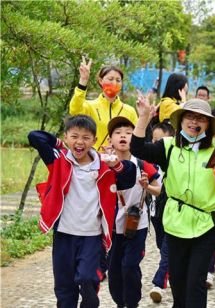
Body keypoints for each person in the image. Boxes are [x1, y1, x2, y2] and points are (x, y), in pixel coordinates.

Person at [28, 115, 136, 308]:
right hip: (64, 235)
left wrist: (116, 165)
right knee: (64, 287)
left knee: (87, 279)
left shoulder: (103, 165)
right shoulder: (58, 160)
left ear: (94, 140)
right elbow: (35, 137)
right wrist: (61, 144)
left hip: (91, 237)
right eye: (74, 136)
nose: (79, 142)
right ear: (66, 137)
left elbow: (129, 177)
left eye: (86, 138)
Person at [131, 97, 215, 308]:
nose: (194, 122)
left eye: (201, 118)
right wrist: (144, 117)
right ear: (181, 121)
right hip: (176, 221)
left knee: (196, 281)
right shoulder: (169, 146)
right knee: (178, 280)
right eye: (189, 117)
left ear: (208, 124)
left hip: (208, 223)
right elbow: (137, 148)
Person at [106, 117, 161, 308]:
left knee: (129, 266)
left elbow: (159, 189)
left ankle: (132, 303)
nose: (123, 136)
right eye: (118, 133)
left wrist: (148, 187)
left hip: (137, 223)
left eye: (129, 133)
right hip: (112, 226)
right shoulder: (104, 164)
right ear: (110, 140)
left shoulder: (141, 164)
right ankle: (120, 303)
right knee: (113, 271)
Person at [69, 57, 138, 150]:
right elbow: (74, 110)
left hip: (120, 161)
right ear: (101, 81)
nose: (114, 83)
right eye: (110, 79)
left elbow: (137, 138)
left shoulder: (130, 111)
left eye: (118, 80)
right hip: (95, 160)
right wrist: (83, 80)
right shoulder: (90, 106)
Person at [149, 122, 175, 303]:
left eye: (159, 141)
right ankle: (174, 272)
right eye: (153, 140)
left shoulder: (175, 159)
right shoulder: (150, 161)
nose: (155, 144)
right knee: (162, 246)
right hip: (155, 213)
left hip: (172, 213)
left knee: (167, 249)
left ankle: (159, 283)